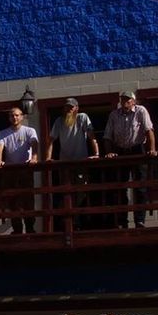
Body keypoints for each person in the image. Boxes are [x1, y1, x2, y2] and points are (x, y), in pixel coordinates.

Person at [102, 90, 157, 227]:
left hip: (137, 149)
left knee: (140, 187)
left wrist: (152, 149)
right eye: (122, 99)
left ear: (133, 101)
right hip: (120, 151)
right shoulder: (114, 115)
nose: (124, 102)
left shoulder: (140, 111)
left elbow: (149, 130)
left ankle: (139, 220)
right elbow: (107, 136)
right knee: (121, 187)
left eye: (127, 99)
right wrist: (109, 152)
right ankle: (122, 220)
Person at [47, 97, 100, 230]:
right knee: (66, 192)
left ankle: (78, 221)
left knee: (81, 191)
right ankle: (70, 223)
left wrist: (97, 154)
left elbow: (91, 135)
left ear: (77, 108)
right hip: (65, 164)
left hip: (80, 161)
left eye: (72, 107)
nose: (69, 109)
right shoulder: (59, 121)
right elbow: (51, 140)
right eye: (67, 107)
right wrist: (48, 158)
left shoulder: (82, 118)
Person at [0, 107, 40, 234]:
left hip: (25, 170)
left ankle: (30, 228)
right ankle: (17, 229)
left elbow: (34, 143)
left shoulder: (29, 131)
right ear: (9, 118)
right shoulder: (3, 133)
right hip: (10, 172)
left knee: (28, 200)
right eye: (12, 115)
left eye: (17, 115)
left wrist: (34, 158)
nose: (15, 118)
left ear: (22, 117)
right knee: (13, 202)